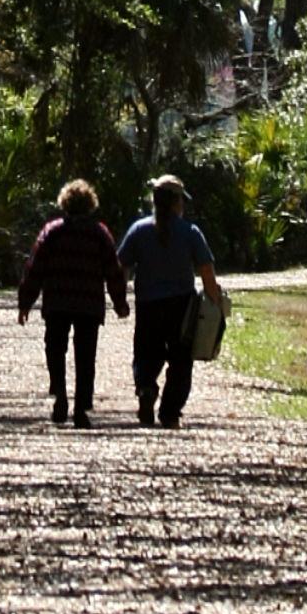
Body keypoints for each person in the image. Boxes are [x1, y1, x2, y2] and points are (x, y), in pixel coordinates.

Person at [15, 177, 130, 424]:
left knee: (55, 349)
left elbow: (34, 267)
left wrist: (26, 302)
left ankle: (60, 394)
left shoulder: (52, 232)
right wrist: (120, 303)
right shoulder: (99, 234)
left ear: (64, 203)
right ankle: (81, 407)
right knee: (85, 356)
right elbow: (113, 270)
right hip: (88, 304)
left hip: (57, 302)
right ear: (90, 204)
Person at [118, 173, 226, 427]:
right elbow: (206, 270)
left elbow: (121, 266)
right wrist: (215, 301)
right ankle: (169, 412)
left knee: (146, 351)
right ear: (177, 202)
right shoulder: (190, 232)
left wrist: (120, 298)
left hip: (148, 305)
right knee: (180, 358)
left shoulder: (139, 230)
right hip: (182, 307)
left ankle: (145, 388)